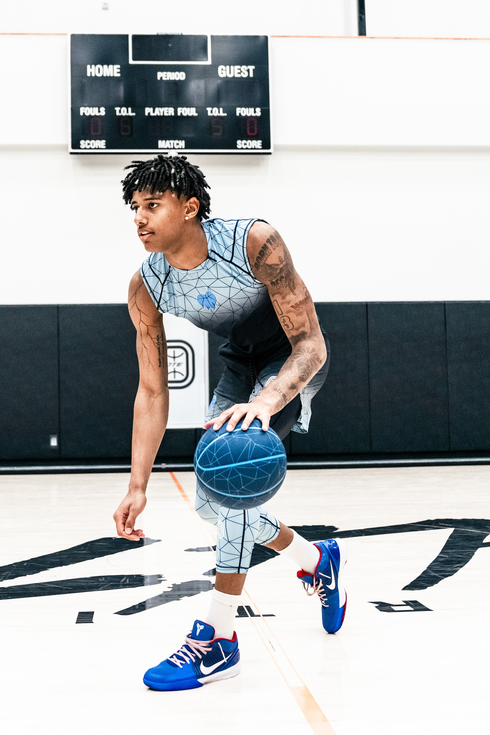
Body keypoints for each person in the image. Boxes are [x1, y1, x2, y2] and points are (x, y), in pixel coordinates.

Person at [112, 154, 346, 692]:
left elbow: (312, 344)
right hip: (241, 364)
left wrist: (268, 401)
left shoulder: (253, 242)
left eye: (153, 205)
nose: (140, 218)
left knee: (236, 479)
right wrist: (137, 485)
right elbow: (152, 390)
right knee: (210, 502)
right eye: (135, 207)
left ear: (190, 208)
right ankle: (316, 559)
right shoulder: (148, 285)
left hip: (291, 362)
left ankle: (217, 639)